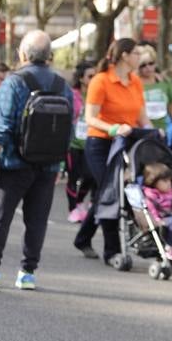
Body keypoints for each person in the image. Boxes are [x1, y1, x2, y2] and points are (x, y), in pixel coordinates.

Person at [0, 30, 73, 290]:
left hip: (14, 162)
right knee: (37, 219)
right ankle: (27, 272)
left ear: (23, 53)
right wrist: (60, 163)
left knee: (0, 215)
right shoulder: (62, 85)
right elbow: (66, 130)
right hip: (47, 163)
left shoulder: (14, 82)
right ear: (49, 55)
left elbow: (1, 124)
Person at [75, 38, 152, 264]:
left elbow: (142, 116)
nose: (140, 57)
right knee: (113, 192)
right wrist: (114, 128)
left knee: (106, 194)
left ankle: (83, 237)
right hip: (101, 143)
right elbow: (90, 117)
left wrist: (151, 131)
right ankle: (113, 250)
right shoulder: (101, 81)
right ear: (125, 56)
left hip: (127, 143)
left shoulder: (135, 81)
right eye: (137, 53)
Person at [65, 60, 97, 221]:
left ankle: (78, 203)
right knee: (73, 177)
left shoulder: (97, 93)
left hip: (90, 143)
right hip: (73, 143)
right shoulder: (72, 94)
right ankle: (72, 209)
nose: (94, 78)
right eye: (90, 76)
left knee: (90, 176)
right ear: (81, 78)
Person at [137, 45, 172, 139]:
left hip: (162, 131)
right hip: (140, 132)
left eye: (151, 63)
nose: (148, 67)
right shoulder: (134, 83)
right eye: (143, 65)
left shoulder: (165, 81)